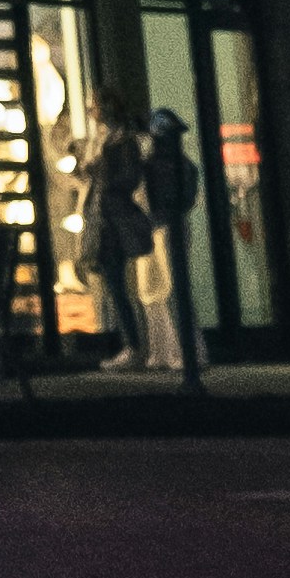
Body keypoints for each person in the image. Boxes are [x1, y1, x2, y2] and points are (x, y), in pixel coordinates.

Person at [78, 98, 155, 364]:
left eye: (94, 106)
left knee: (119, 285)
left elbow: (129, 177)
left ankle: (134, 346)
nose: (91, 112)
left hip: (113, 220)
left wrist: (103, 174)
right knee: (116, 285)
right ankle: (134, 345)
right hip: (103, 217)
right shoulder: (102, 139)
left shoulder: (122, 141)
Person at [142, 106, 209, 386]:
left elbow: (184, 197)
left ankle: (186, 351)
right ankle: (165, 351)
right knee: (153, 291)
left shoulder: (173, 166)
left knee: (170, 289)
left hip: (165, 226)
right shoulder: (173, 165)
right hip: (159, 226)